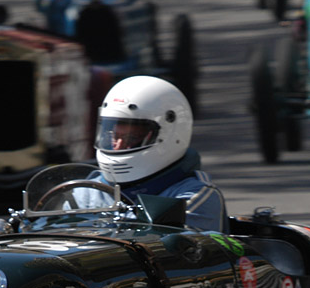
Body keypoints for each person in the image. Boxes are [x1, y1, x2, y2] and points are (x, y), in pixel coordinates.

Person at [91, 75, 227, 232]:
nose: (118, 146)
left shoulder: (194, 196)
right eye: (115, 136)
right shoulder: (86, 192)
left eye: (132, 138)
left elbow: (175, 251)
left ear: (170, 134)